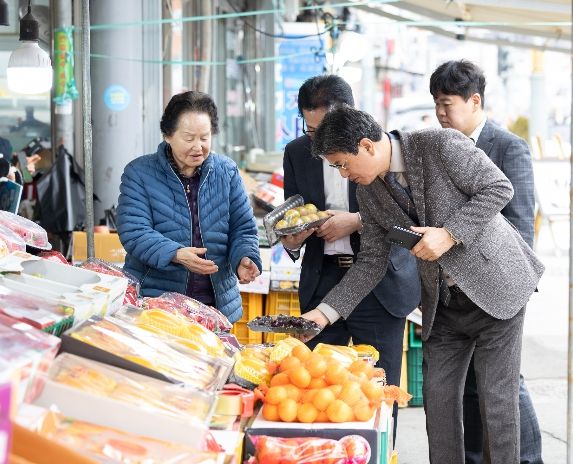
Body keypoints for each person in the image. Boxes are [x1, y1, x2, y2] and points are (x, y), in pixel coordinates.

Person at [304, 105, 544, 463]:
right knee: (438, 400)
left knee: (497, 401)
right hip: (443, 303)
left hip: (496, 286)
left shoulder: (440, 145)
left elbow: (499, 188)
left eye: (342, 164)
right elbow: (371, 262)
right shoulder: (369, 194)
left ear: (367, 145)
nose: (343, 174)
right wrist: (323, 314)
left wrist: (449, 234)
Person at [281, 75, 420, 440]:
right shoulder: (296, 152)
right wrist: (293, 237)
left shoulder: (377, 151)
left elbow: (405, 216)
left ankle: (379, 453)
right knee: (315, 391)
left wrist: (356, 220)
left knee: (378, 392)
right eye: (311, 131)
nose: (318, 143)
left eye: (324, 130)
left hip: (381, 284)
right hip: (322, 280)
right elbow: (291, 214)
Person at [430, 59, 542, 464]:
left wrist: (514, 285)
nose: (441, 114)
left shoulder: (508, 147)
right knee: (472, 387)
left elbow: (520, 223)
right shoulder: (439, 150)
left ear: (474, 101)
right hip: (454, 292)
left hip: (498, 286)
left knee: (505, 389)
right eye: (436, 105)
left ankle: (528, 458)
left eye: (447, 104)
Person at [117, 91, 262, 323]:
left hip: (215, 306)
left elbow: (242, 228)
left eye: (204, 137)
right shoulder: (139, 173)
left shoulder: (227, 172)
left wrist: (245, 257)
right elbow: (134, 231)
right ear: (168, 135)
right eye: (189, 138)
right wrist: (175, 254)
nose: (198, 147)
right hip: (156, 302)